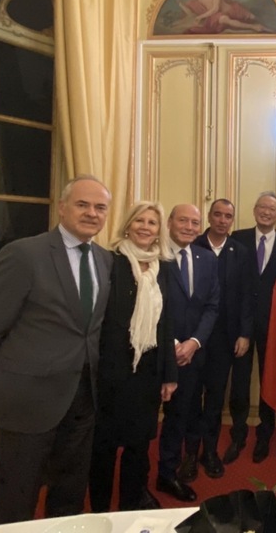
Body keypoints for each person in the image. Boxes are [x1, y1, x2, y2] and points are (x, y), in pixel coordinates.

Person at [0, 175, 113, 524]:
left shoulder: (105, 261)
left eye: (100, 207)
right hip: (25, 402)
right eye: (82, 204)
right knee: (17, 500)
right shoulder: (24, 254)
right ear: (61, 208)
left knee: (69, 498)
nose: (92, 213)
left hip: (81, 400)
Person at [89, 201, 177, 512]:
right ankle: (99, 510)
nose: (145, 227)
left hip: (148, 372)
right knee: (104, 446)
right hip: (111, 371)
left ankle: (129, 507)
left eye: (152, 223)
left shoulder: (164, 267)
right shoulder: (109, 262)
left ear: (158, 231)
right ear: (128, 225)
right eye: (139, 220)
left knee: (139, 447)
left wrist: (170, 375)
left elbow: (167, 325)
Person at [185, 199, 253, 481]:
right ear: (209, 217)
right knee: (189, 399)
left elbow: (249, 296)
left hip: (225, 340)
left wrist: (245, 333)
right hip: (193, 338)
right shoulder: (192, 245)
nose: (223, 220)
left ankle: (209, 451)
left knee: (215, 400)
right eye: (218, 215)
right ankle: (188, 454)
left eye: (228, 216)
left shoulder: (241, 252)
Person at [157, 204, 219, 503]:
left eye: (195, 222)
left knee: (183, 414)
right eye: (183, 220)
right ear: (170, 222)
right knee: (154, 418)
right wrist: (171, 343)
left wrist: (194, 342)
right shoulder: (155, 256)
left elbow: (211, 306)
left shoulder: (206, 259)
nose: (190, 227)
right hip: (157, 351)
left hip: (193, 353)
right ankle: (153, 472)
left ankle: (171, 471)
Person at [225, 192, 276, 464]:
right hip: (240, 325)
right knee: (239, 382)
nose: (266, 212)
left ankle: (265, 434)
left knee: (269, 381)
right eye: (262, 206)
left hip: (274, 327)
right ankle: (238, 434)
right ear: (254, 210)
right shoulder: (236, 239)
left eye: (272, 209)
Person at [178, 0, 269, 34]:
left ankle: (268, 29)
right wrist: (181, 5)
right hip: (218, 16)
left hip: (233, 10)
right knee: (224, 19)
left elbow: (215, 9)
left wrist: (201, 16)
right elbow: (191, 12)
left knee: (254, 18)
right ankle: (255, 27)